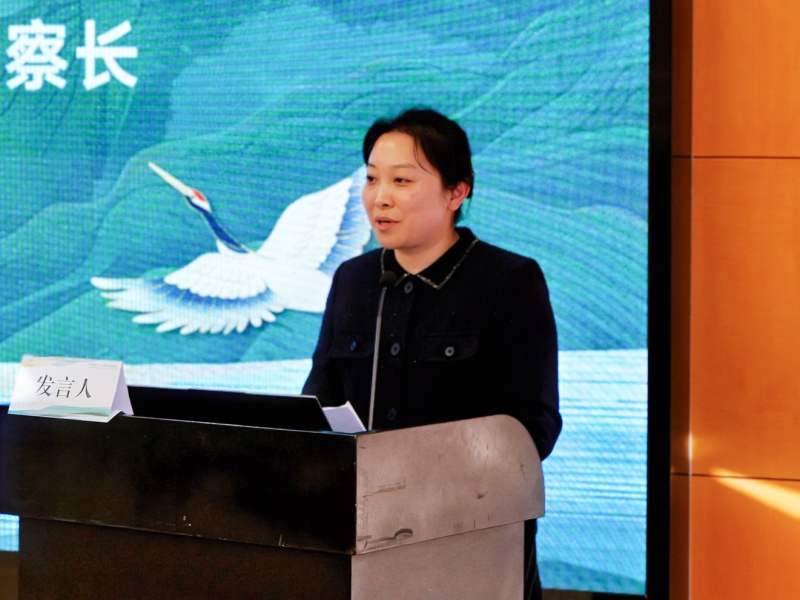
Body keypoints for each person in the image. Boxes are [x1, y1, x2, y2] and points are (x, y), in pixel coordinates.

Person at [303, 108, 561, 599]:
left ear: (456, 192)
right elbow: (318, 404)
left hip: (470, 545)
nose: (380, 197)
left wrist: (423, 477)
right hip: (362, 545)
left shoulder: (508, 281)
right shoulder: (354, 280)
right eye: (372, 179)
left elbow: (534, 427)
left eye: (402, 180)